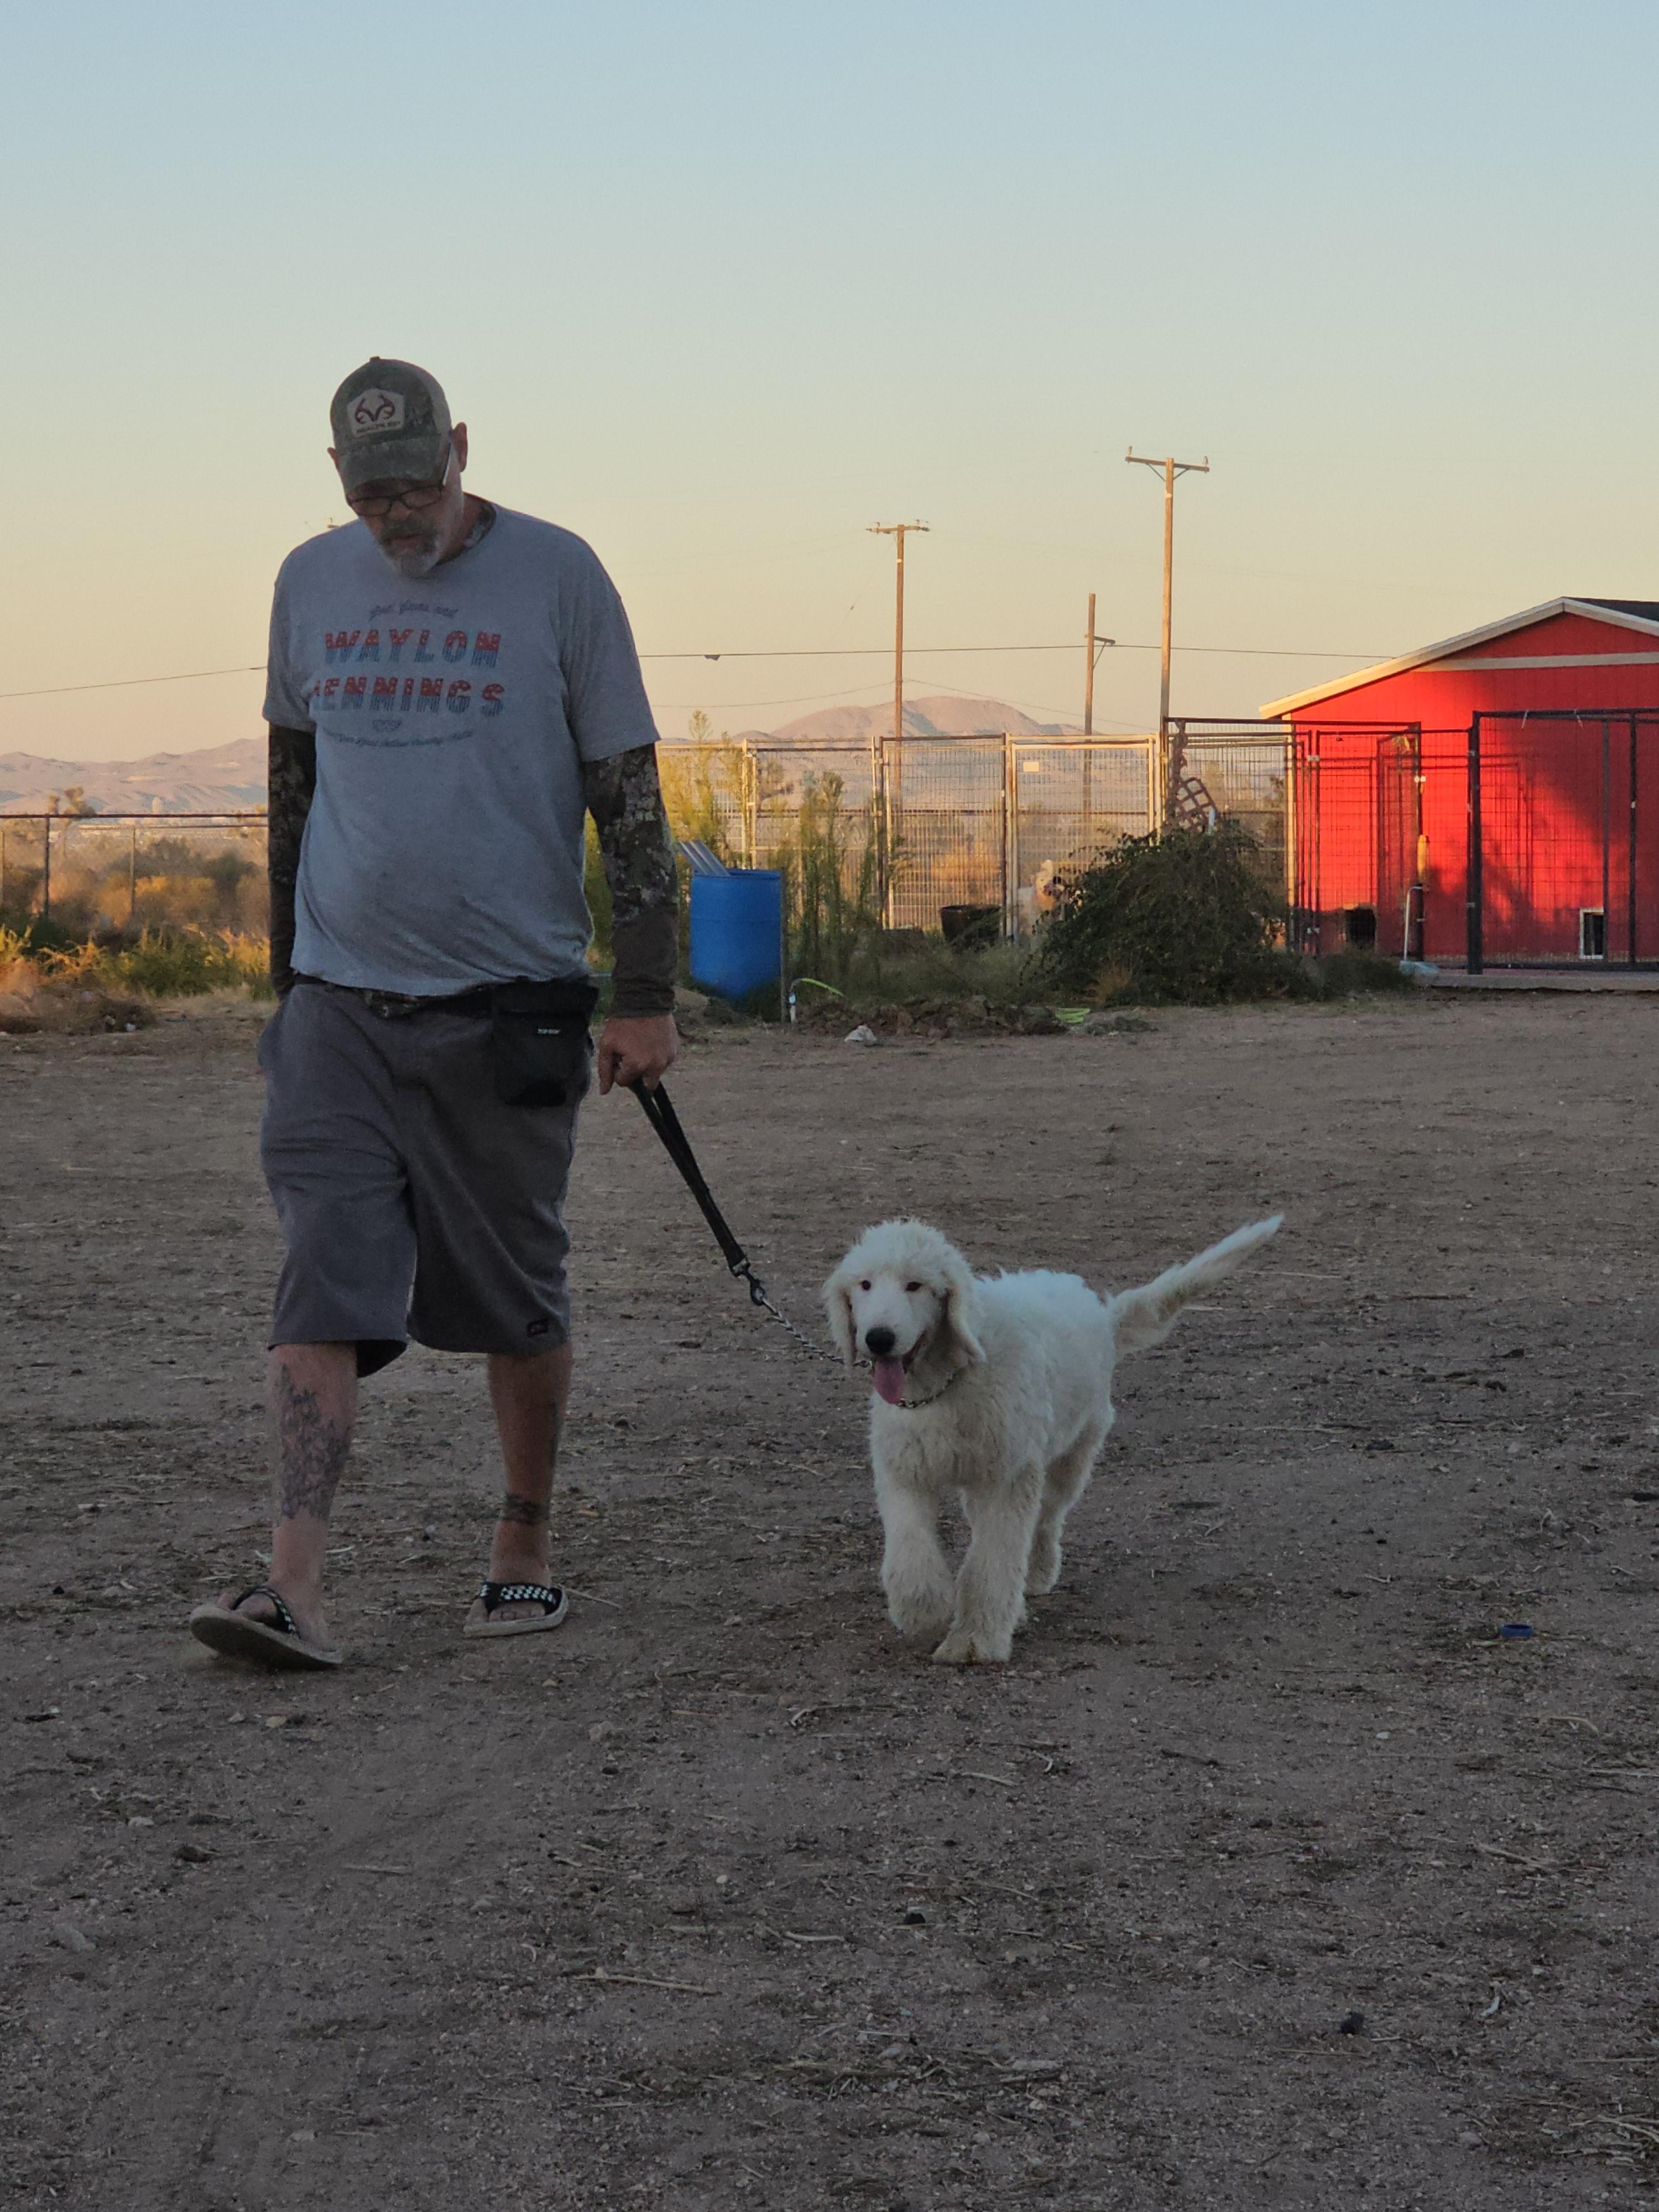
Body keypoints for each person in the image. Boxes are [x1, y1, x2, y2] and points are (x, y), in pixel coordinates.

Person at [188, 357, 678, 1670]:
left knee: (513, 1292)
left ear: (460, 449)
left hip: (508, 1004)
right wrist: (288, 986)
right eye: (368, 496)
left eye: (412, 485)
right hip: (342, 1002)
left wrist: (644, 994)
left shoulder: (561, 577)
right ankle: (295, 1583)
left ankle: (522, 1544)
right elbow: (295, 789)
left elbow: (627, 793)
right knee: (321, 1273)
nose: (393, 515)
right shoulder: (308, 582)